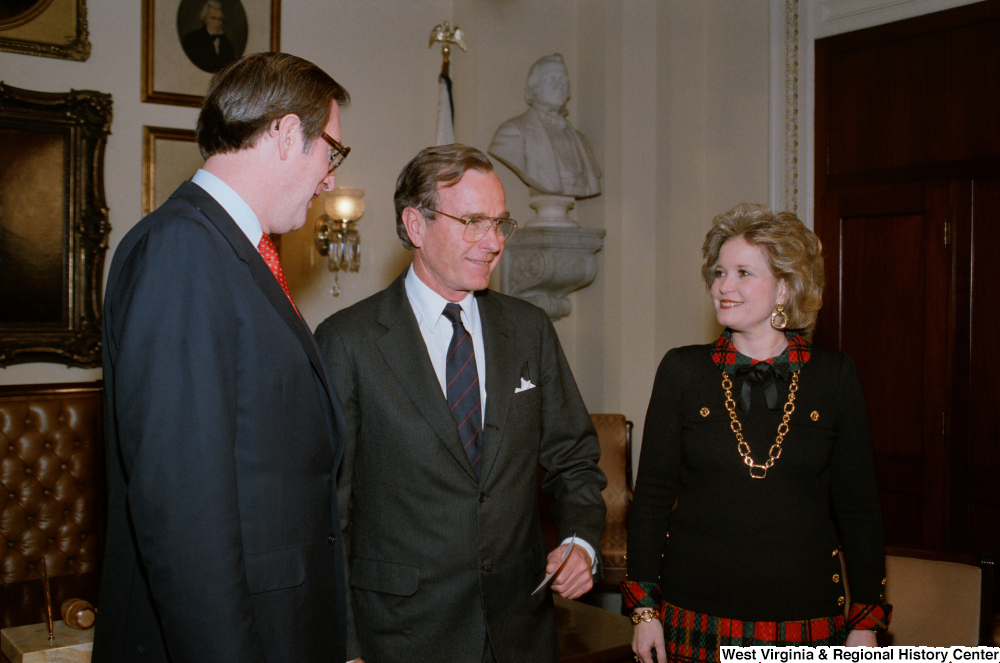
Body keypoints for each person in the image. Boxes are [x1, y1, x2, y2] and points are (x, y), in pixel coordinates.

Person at [93, 52, 352, 663]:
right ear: (288, 134)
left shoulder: (227, 247)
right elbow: (183, 510)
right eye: (332, 154)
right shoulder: (183, 248)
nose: (332, 180)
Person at [315, 144, 607, 663]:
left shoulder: (529, 330)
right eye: (472, 221)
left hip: (521, 629)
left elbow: (574, 458)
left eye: (500, 223)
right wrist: (347, 644)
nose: (493, 242)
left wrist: (580, 541)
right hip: (402, 635)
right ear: (416, 224)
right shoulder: (349, 341)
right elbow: (326, 512)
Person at [623, 204, 892, 663]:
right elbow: (649, 500)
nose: (723, 286)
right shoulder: (682, 370)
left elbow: (859, 508)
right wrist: (644, 611)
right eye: (719, 272)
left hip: (807, 616)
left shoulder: (835, 376)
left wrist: (866, 621)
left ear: (784, 287)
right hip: (695, 614)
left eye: (743, 273)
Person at [488, 54, 601, 198]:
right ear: (533, 86)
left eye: (564, 81)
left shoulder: (581, 140)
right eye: (552, 79)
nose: (560, 85)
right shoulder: (511, 133)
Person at [181, 0, 236, 73]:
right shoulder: (191, 39)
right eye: (213, 18)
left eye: (219, 19)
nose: (217, 23)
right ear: (204, 19)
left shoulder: (226, 42)